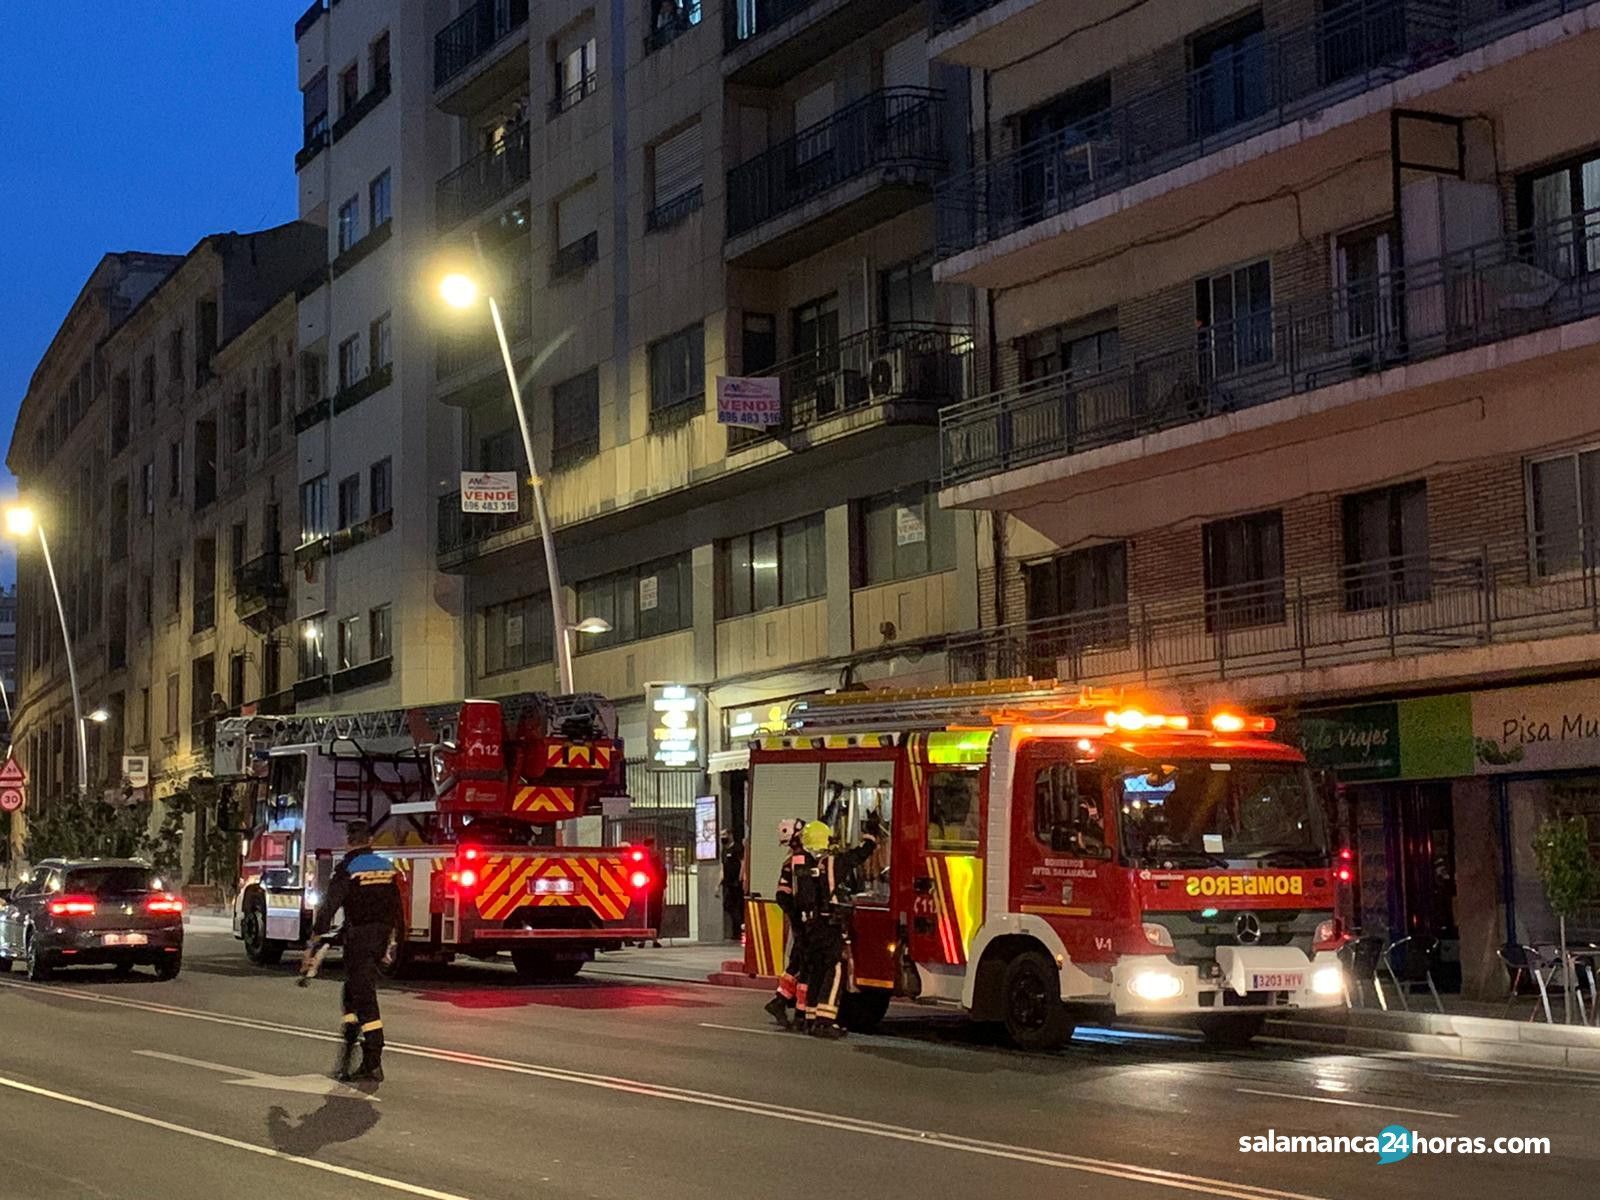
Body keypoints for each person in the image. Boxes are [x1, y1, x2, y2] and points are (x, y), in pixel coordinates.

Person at [305, 819, 403, 1085]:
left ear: (349, 841)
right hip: (380, 936)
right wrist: (395, 942)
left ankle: (373, 1062)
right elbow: (397, 905)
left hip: (360, 938)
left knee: (364, 996)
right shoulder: (387, 866)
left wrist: (317, 932)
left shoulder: (348, 867)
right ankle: (348, 1050)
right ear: (370, 841)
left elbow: (332, 902)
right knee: (352, 992)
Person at [795, 815, 881, 1039]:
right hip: (828, 923)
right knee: (834, 970)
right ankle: (825, 1021)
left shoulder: (804, 863)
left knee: (817, 971)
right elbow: (858, 856)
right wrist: (870, 836)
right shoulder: (831, 863)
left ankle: (811, 1018)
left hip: (811, 926)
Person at [763, 818, 811, 1028]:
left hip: (801, 920)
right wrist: (798, 917)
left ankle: (780, 1001)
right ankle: (797, 1011)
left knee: (797, 963)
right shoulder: (797, 860)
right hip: (803, 920)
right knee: (803, 963)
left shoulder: (795, 858)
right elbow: (783, 895)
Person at [719, 833, 744, 941]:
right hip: (728, 883)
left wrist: (741, 877)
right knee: (728, 906)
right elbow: (722, 868)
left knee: (737, 906)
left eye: (724, 835)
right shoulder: (724, 851)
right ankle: (737, 930)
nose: (722, 837)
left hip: (736, 882)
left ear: (730, 835)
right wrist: (718, 883)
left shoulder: (737, 848)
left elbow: (743, 862)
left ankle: (738, 932)